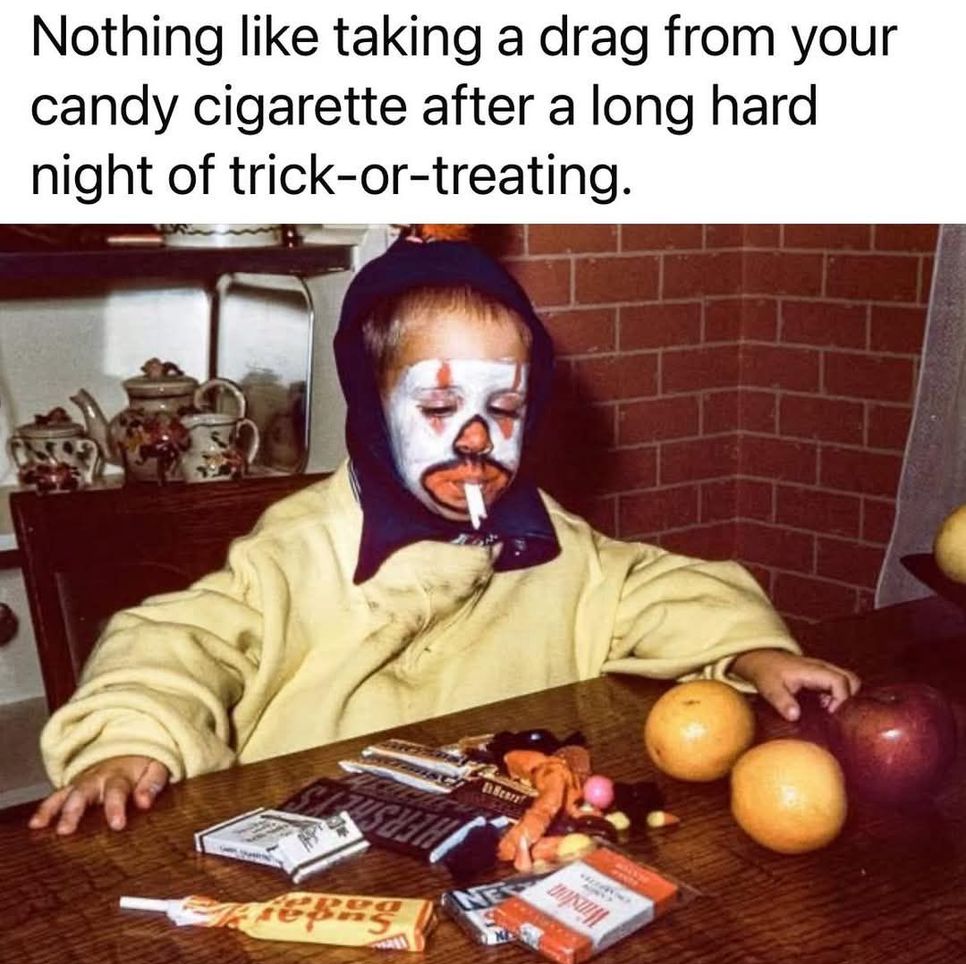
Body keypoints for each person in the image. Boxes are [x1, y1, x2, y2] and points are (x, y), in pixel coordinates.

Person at [30, 230, 860, 836]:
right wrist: (131, 742)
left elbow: (653, 589)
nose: (474, 439)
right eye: (436, 408)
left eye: (502, 410)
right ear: (368, 406)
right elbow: (171, 642)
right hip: (322, 841)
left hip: (506, 844)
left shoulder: (552, 543)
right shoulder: (301, 548)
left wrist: (754, 652)